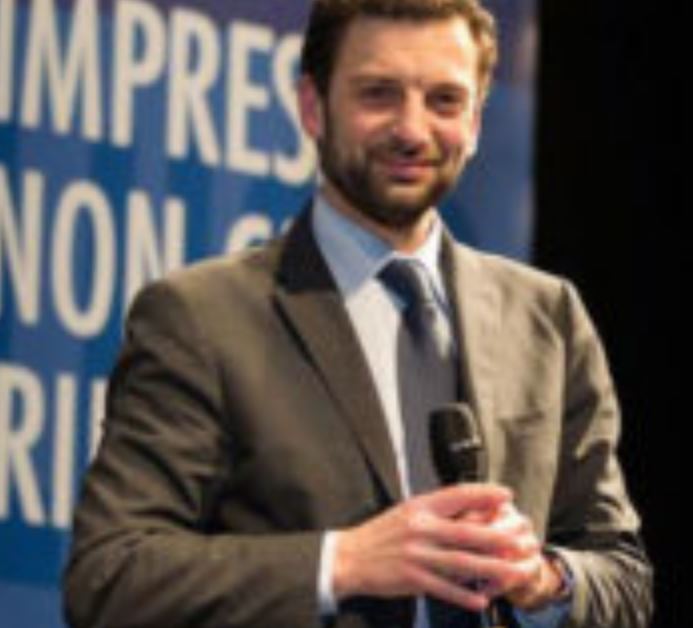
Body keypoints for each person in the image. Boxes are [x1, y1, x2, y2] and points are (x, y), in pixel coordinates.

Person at [62, 1, 653, 626]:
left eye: (445, 101)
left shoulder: (547, 318)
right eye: (379, 94)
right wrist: (341, 563)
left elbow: (623, 578)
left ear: (476, 122)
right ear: (312, 106)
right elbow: (111, 578)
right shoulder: (202, 319)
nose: (412, 130)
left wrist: (541, 579)